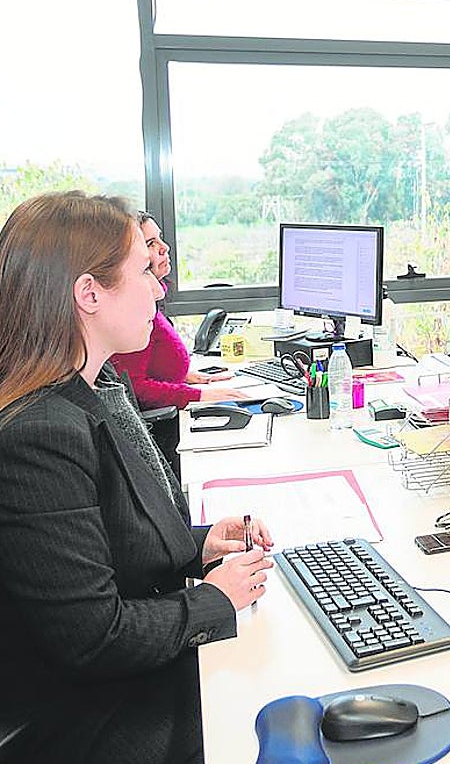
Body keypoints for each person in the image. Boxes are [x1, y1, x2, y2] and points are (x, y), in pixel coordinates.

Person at [0, 191, 275, 764]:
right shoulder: (39, 433)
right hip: (89, 717)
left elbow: (104, 539)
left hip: (118, 681)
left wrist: (201, 544)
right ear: (89, 293)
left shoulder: (95, 390)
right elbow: (95, 637)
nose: (158, 289)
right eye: (143, 272)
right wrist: (216, 602)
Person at [110, 213, 246, 409]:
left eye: (160, 238)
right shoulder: (132, 312)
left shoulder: (152, 302)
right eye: (150, 243)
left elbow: (152, 367)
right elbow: (133, 388)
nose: (164, 247)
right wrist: (198, 395)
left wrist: (190, 378)